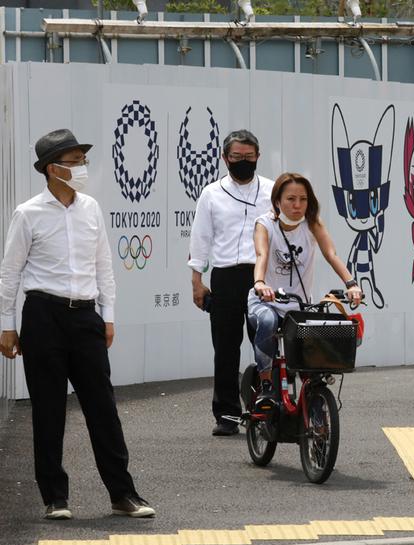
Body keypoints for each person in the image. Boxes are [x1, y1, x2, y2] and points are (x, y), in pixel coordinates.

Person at [0, 129, 154, 520]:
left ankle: (123, 494)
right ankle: (55, 498)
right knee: (48, 410)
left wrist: (109, 315)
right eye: (73, 161)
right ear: (52, 169)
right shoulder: (27, 213)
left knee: (102, 407)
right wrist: (7, 325)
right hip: (42, 315)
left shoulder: (91, 209)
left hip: (86, 314)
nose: (82, 167)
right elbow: (10, 273)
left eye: (82, 160)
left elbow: (104, 265)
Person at [248, 173, 362, 406]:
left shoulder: (312, 223)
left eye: (303, 199)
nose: (297, 205)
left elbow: (331, 255)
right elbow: (262, 255)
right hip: (265, 301)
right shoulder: (265, 224)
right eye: (290, 199)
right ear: (277, 201)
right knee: (268, 322)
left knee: (320, 342)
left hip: (298, 305)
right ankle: (266, 383)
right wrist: (260, 283)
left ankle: (314, 399)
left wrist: (351, 284)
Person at [189, 130, 274, 436]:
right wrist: (197, 281)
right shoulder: (211, 193)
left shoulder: (272, 190)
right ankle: (227, 413)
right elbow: (200, 238)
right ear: (224, 158)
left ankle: (268, 410)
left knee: (266, 345)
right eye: (236, 157)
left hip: (262, 276)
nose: (242, 162)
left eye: (248, 157)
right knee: (225, 347)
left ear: (258, 157)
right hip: (225, 275)